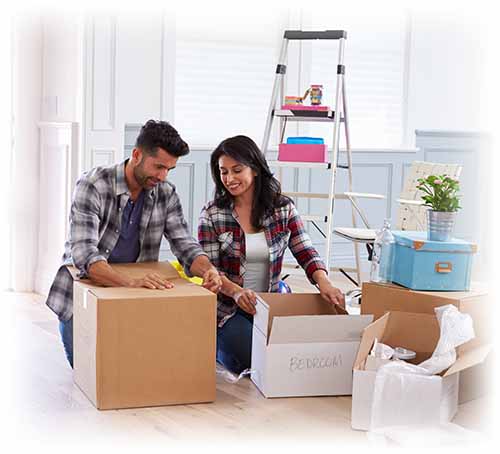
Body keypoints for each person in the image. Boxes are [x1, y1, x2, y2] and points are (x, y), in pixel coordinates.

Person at [46, 119, 222, 367]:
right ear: (137, 154)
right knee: (90, 369)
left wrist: (208, 269)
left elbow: (184, 244)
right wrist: (131, 282)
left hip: (136, 296)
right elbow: (85, 256)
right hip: (86, 290)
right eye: (158, 167)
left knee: (137, 370)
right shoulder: (93, 185)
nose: (163, 176)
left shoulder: (166, 193)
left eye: (169, 169)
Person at [198, 135, 345, 374]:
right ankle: (212, 341)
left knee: (297, 355)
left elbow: (304, 249)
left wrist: (324, 283)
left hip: (270, 303)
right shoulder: (213, 213)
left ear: (254, 169)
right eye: (224, 172)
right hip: (228, 309)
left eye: (237, 170)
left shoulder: (282, 208)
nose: (230, 179)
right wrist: (235, 293)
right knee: (250, 361)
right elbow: (210, 270)